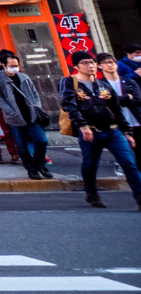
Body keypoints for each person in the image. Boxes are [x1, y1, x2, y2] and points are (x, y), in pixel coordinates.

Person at [60, 50, 141, 209]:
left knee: (129, 163)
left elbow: (117, 110)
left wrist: (127, 132)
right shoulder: (69, 82)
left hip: (112, 131)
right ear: (76, 66)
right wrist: (82, 126)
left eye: (92, 62)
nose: (90, 66)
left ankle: (139, 196)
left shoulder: (103, 85)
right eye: (85, 63)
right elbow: (69, 105)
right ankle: (91, 193)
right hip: (90, 132)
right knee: (90, 164)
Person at [0, 50, 53, 179]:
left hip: (31, 115)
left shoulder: (24, 77)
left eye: (16, 65)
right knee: (22, 145)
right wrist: (10, 111)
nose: (15, 68)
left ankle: (40, 165)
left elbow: (35, 94)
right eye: (11, 66)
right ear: (3, 65)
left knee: (42, 141)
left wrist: (36, 106)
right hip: (14, 118)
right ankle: (31, 169)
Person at [96, 52, 141, 176]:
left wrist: (115, 99)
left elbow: (137, 100)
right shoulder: (100, 85)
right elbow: (104, 103)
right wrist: (127, 97)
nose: (110, 65)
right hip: (115, 122)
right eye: (105, 63)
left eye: (112, 62)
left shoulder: (129, 82)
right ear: (99, 66)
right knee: (125, 151)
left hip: (135, 120)